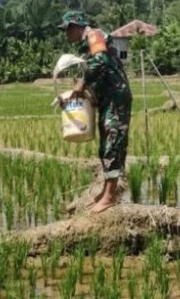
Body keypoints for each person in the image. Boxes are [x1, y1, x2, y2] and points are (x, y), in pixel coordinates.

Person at [58, 11, 132, 214]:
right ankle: (107, 193)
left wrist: (81, 84)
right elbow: (95, 77)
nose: (66, 34)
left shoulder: (94, 35)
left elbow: (100, 60)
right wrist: (71, 96)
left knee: (112, 142)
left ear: (75, 26)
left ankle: (109, 197)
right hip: (106, 99)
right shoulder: (85, 49)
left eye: (67, 29)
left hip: (116, 97)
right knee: (105, 145)